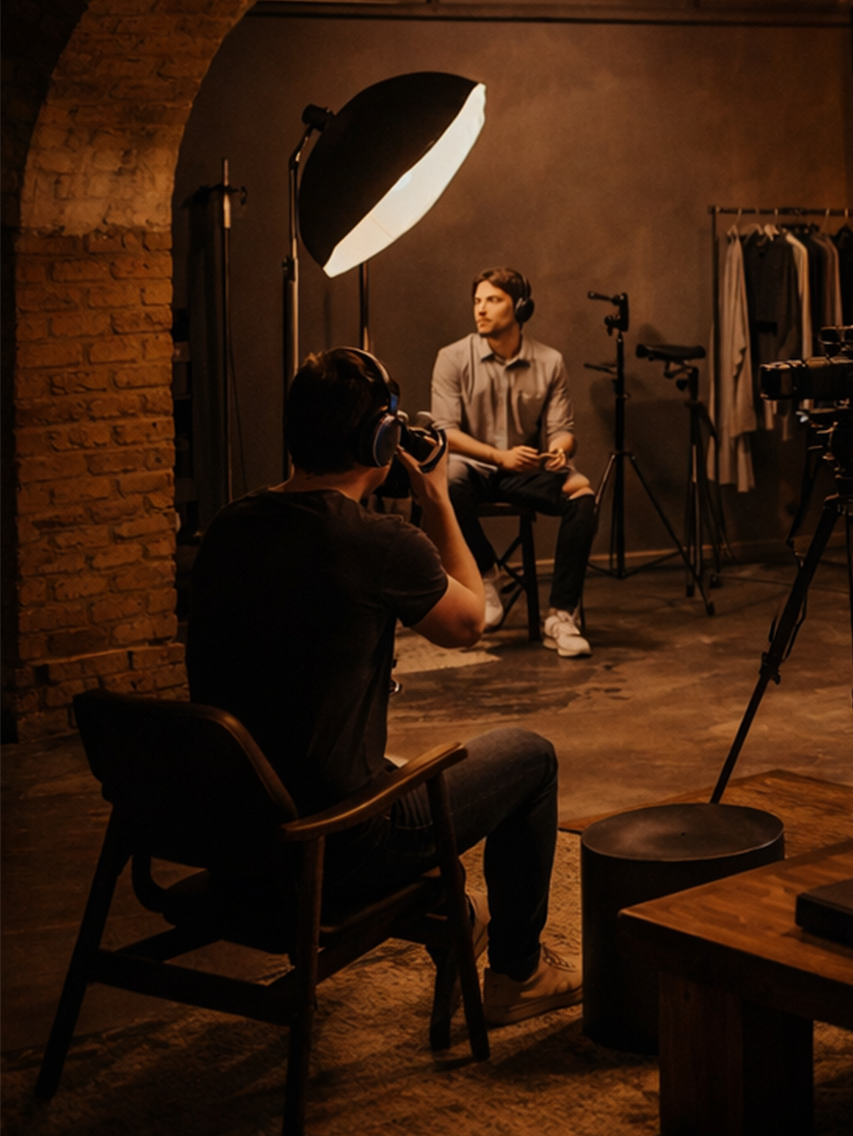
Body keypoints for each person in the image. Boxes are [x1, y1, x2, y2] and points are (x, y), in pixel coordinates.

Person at [187, 348, 585, 1025]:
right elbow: (468, 622)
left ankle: (460, 911)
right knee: (530, 754)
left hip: (228, 831)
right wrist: (435, 495)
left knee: (393, 762)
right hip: (334, 843)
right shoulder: (377, 542)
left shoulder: (228, 527)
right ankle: (518, 972)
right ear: (381, 439)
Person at [432, 267, 599, 658]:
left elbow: (562, 429)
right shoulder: (453, 358)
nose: (481, 310)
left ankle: (560, 616)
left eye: (493, 300)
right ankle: (487, 578)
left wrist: (561, 449)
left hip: (522, 470)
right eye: (477, 301)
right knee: (447, 479)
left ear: (521, 308)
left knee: (581, 492)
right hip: (472, 468)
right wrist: (497, 456)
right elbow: (444, 431)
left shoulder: (550, 362)